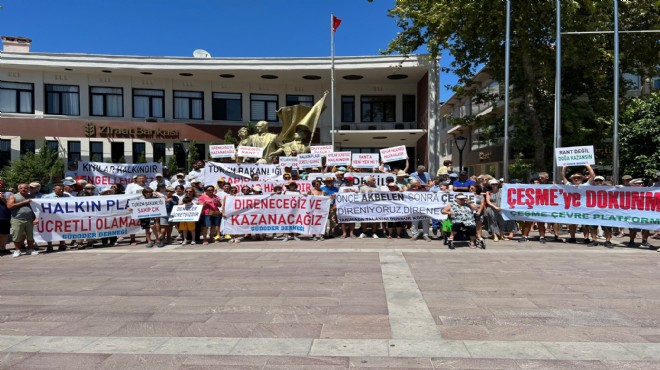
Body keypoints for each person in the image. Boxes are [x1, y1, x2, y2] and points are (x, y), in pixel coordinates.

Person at [7, 184, 39, 258]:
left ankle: (30, 249)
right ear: (18, 189)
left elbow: (36, 209)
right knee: (17, 236)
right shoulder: (14, 196)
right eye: (21, 188)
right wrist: (24, 202)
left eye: (25, 188)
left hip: (30, 219)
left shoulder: (32, 197)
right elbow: (9, 206)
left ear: (28, 189)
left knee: (30, 236)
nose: (23, 189)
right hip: (17, 219)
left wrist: (36, 218)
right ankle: (17, 250)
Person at [43, 184, 72, 252]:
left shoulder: (67, 196)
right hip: (50, 216)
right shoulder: (47, 197)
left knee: (62, 230)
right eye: (59, 189)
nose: (61, 190)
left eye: (62, 189)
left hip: (63, 216)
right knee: (49, 231)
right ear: (54, 190)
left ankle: (62, 244)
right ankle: (50, 245)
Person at [627, 178, 654, 249]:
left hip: (645, 212)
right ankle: (631, 241)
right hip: (634, 213)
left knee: (646, 228)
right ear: (633, 185)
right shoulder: (629, 191)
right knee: (633, 228)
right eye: (638, 184)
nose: (641, 185)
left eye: (642, 183)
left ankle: (644, 241)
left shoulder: (648, 191)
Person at [0, 180, 12, 253]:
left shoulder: (8, 194)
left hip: (4, 216)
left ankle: (2, 248)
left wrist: (3, 198)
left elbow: (10, 205)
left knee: (4, 233)